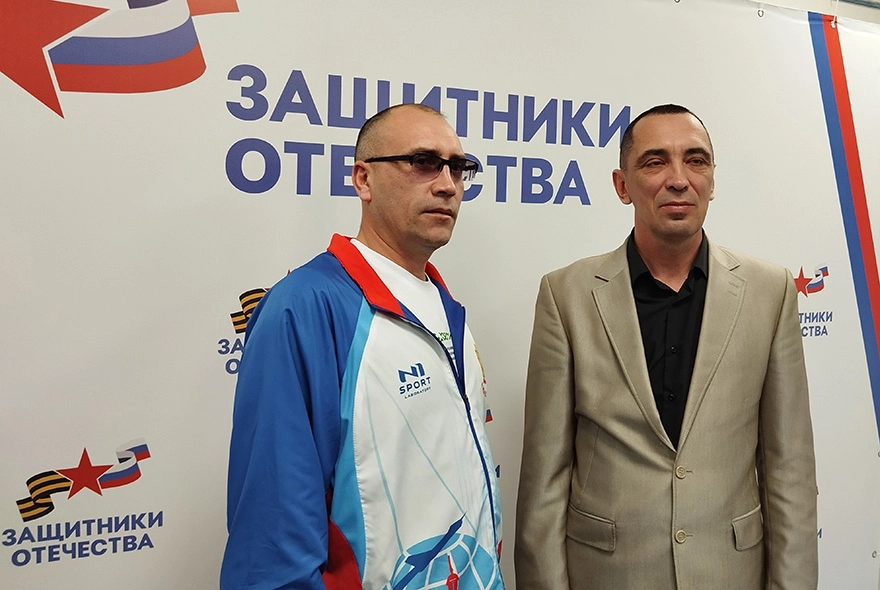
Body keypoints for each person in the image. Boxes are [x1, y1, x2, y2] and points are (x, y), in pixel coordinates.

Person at [515, 104, 818, 590]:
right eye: (655, 162)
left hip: (728, 574)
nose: (679, 179)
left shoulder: (771, 291)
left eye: (695, 161)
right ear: (622, 185)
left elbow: (790, 471)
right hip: (609, 576)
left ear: (712, 180)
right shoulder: (566, 295)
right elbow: (544, 480)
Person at [221, 104, 503, 590]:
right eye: (422, 162)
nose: (447, 185)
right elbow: (272, 536)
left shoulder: (442, 303)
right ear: (363, 179)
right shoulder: (305, 306)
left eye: (458, 167)